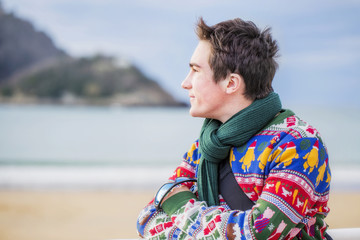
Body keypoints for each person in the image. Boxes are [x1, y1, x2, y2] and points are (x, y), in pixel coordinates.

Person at [136, 17, 331, 239]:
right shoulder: (207, 145)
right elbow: (146, 219)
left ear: (231, 83)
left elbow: (258, 232)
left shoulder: (298, 143)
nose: (185, 83)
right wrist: (217, 229)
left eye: (195, 70)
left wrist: (180, 207)